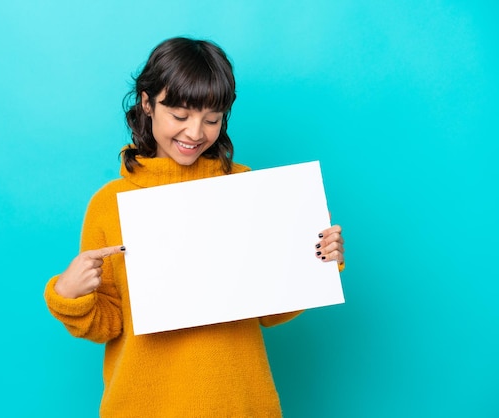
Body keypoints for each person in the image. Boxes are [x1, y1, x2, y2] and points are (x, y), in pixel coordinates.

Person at [44, 37, 345, 417]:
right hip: (144, 406)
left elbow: (270, 312)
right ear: (147, 103)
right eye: (180, 115)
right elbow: (109, 323)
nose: (195, 133)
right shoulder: (109, 205)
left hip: (241, 404)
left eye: (212, 119)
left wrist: (316, 263)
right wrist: (71, 296)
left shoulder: (246, 188)